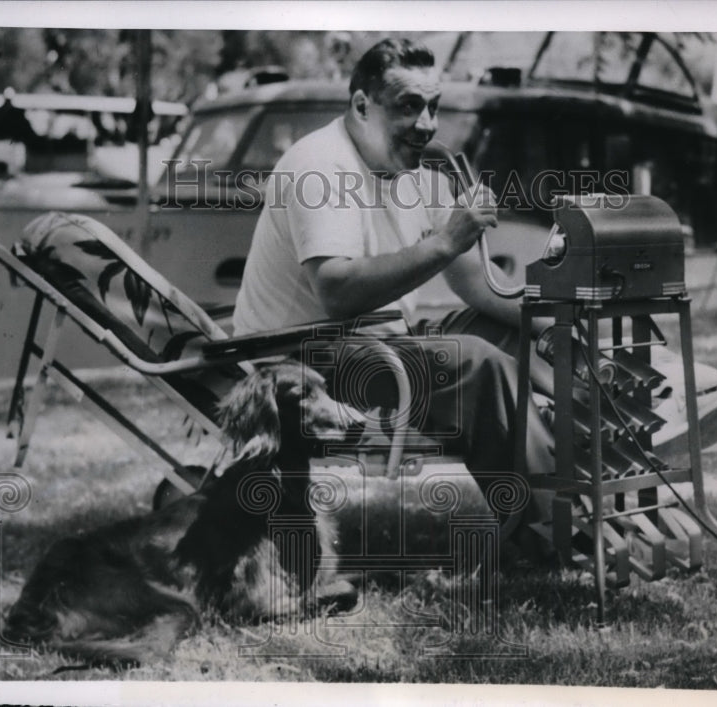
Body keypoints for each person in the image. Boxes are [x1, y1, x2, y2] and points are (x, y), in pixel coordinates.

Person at [232, 38, 558, 553]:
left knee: (514, 336)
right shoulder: (320, 167)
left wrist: (553, 325)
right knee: (475, 361)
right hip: (301, 359)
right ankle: (549, 532)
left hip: (374, 343)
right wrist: (447, 240)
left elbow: (477, 284)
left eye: (433, 105)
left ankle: (597, 457)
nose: (427, 123)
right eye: (408, 106)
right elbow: (337, 292)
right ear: (362, 106)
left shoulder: (419, 176)